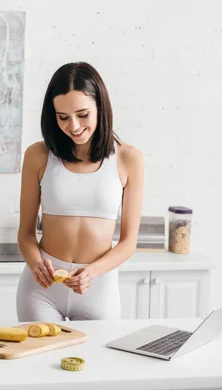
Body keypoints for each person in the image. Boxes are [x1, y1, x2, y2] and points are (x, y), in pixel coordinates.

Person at [16, 61, 144, 322]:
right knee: (37, 361)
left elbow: (128, 243)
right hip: (42, 289)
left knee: (99, 362)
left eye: (82, 114)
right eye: (62, 117)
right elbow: (25, 233)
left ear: (101, 107)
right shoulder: (38, 155)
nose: (73, 126)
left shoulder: (129, 158)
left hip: (98, 287)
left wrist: (92, 272)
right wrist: (35, 264)